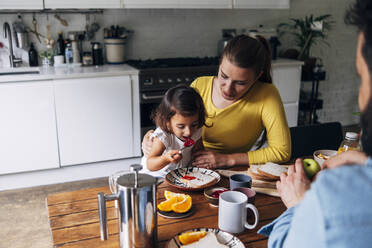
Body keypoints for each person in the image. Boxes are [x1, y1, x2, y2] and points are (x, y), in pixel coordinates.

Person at [258, 1, 372, 247]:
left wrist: (300, 205)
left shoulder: (333, 209)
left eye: (362, 78)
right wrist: (366, 162)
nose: (360, 96)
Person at [143, 35, 291, 169]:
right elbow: (173, 123)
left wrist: (227, 160)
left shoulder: (267, 95)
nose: (228, 89)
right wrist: (150, 138)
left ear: (257, 76)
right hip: (188, 167)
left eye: (240, 83)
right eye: (224, 76)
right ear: (220, 64)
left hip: (233, 170)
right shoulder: (200, 85)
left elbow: (282, 151)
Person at [140, 85, 205, 178]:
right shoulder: (163, 136)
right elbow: (150, 164)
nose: (189, 132)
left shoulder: (197, 130)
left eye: (193, 124)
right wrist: (166, 159)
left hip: (178, 175)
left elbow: (198, 150)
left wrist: (200, 160)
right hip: (155, 177)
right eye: (181, 126)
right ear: (168, 123)